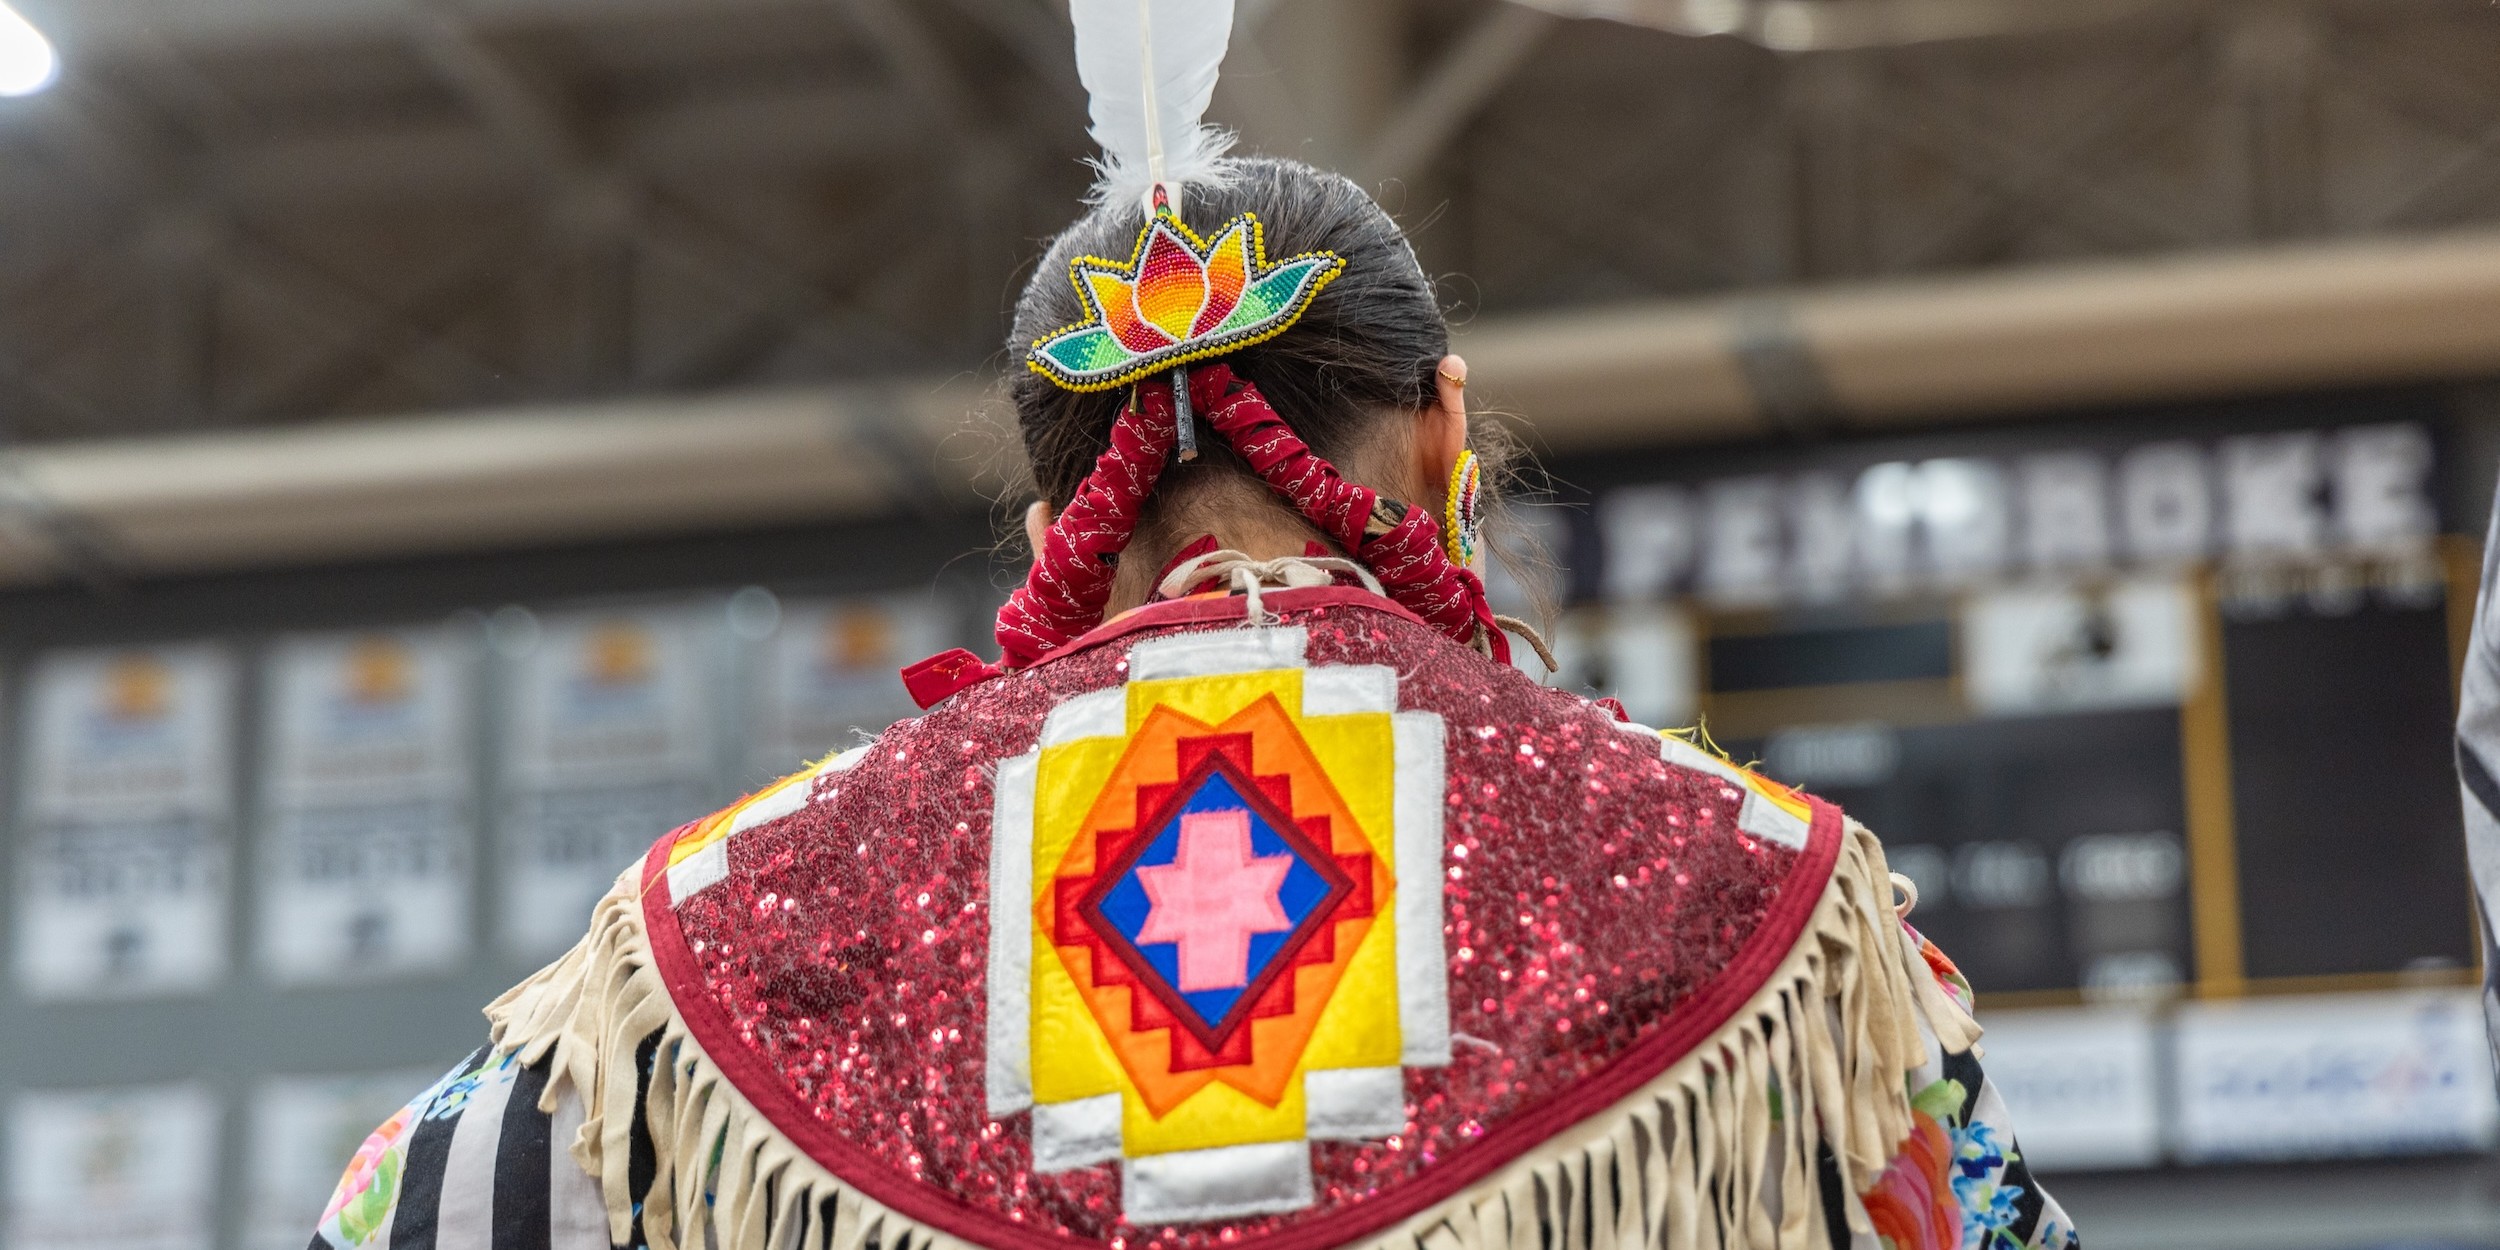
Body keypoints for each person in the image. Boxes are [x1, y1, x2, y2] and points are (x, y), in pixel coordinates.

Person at [310, 8, 2077, 1250]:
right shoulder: (1768, 907)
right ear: (1445, 438)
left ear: (1052, 521)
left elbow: (415, 1207)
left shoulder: (700, 955)